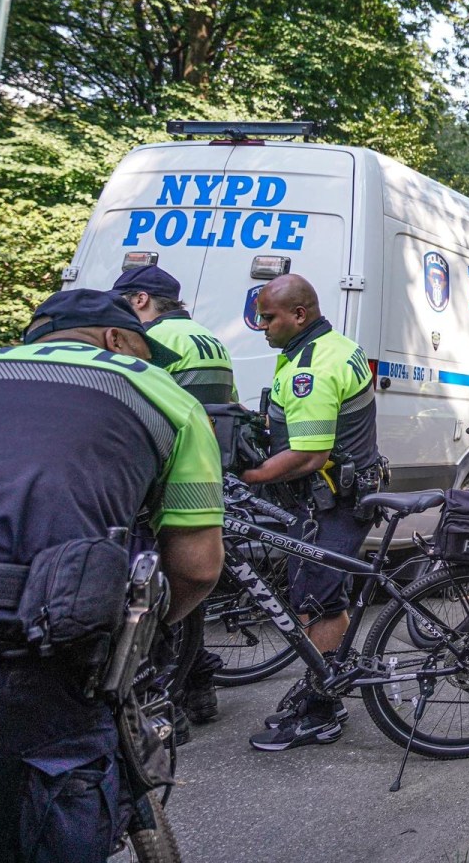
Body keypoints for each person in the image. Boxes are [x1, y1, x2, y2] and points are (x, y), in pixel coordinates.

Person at [0, 288, 224, 863]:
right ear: (115, 338)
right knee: (52, 803)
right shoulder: (161, 393)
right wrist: (140, 636)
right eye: (144, 348)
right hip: (34, 645)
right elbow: (197, 568)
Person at [240, 273, 384, 751]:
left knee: (317, 602)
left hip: (334, 502)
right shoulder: (324, 347)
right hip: (334, 498)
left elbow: (309, 454)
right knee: (316, 598)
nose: (261, 326)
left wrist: (251, 475)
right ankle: (325, 682)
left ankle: (324, 710)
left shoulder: (313, 366)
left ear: (299, 314)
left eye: (268, 317)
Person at [113, 263, 237, 729]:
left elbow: (140, 402)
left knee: (155, 593)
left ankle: (166, 700)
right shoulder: (210, 339)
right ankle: (198, 684)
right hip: (204, 472)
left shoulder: (155, 341)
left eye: (122, 303)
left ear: (140, 300)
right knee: (191, 590)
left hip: (164, 476)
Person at [113, 264, 238, 404]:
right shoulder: (209, 336)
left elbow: (123, 396)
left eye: (119, 302)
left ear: (140, 300)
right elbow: (232, 401)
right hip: (204, 418)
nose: (114, 309)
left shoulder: (149, 337)